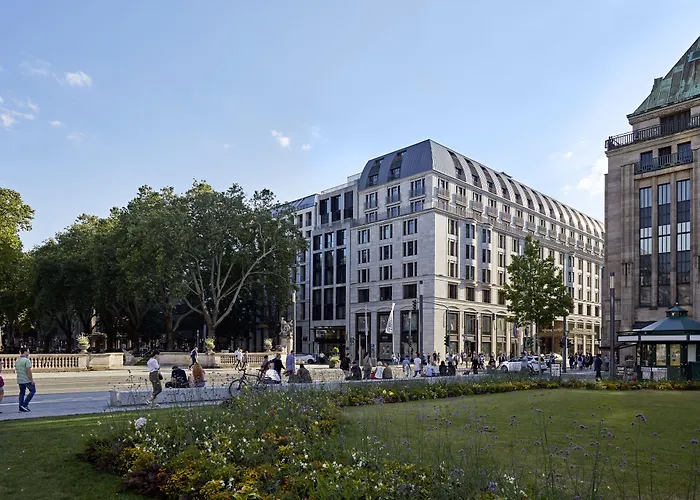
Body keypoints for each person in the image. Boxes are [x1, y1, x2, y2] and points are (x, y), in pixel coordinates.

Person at [15, 347, 36, 412]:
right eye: (28, 351)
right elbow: (28, 371)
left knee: (22, 392)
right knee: (33, 390)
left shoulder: (17, 360)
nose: (28, 353)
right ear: (25, 352)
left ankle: (21, 406)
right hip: (26, 379)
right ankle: (24, 405)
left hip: (20, 379)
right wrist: (31, 380)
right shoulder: (27, 361)